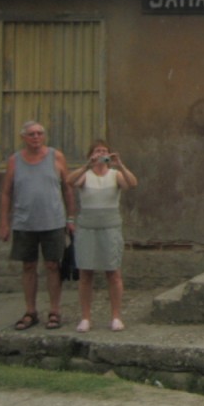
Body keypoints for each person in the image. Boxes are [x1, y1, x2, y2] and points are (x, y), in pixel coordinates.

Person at [0, 120, 74, 331]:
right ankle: (31, 311)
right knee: (28, 266)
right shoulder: (15, 161)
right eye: (31, 134)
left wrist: (71, 218)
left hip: (53, 221)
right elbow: (6, 193)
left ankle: (55, 311)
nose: (36, 137)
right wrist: (4, 222)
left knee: (52, 265)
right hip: (24, 222)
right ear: (23, 137)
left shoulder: (56, 157)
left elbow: (67, 189)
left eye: (40, 133)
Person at [66, 140, 138, 332]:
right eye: (97, 151)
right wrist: (87, 166)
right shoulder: (86, 175)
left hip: (110, 227)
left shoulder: (115, 175)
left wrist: (120, 164)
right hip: (88, 228)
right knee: (85, 273)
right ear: (91, 154)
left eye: (104, 151)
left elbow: (132, 183)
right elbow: (70, 181)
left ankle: (115, 316)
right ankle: (85, 318)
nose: (101, 154)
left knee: (113, 272)